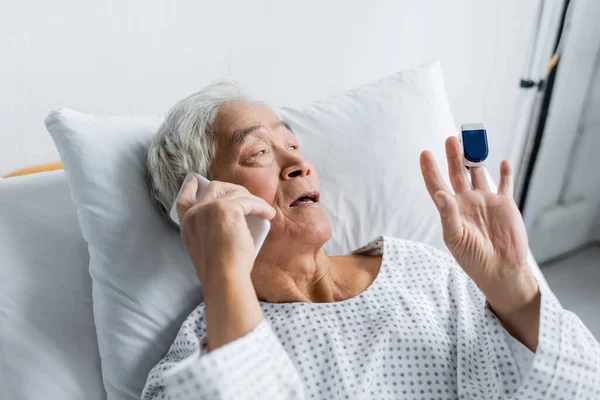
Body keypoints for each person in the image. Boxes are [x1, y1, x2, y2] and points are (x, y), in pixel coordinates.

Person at [142, 82, 599, 399]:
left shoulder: (423, 270)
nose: (299, 164)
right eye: (258, 152)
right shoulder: (205, 344)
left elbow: (582, 388)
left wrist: (512, 284)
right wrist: (224, 275)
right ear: (203, 201)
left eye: (294, 145)